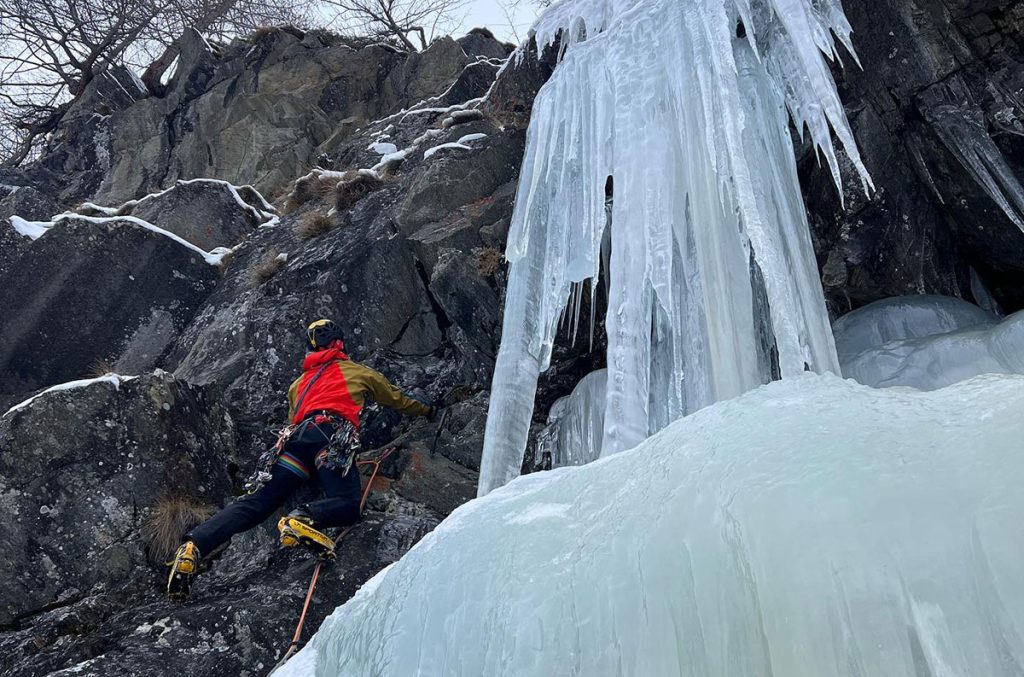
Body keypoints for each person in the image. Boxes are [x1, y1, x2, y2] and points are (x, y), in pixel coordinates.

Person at [167, 319, 435, 600]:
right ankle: (303, 518)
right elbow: (396, 398)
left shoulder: (298, 385)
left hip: (294, 445)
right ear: (340, 344)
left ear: (311, 348)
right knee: (347, 504)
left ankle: (194, 546)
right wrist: (427, 409)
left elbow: (294, 417)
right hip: (331, 438)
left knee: (256, 503)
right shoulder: (357, 372)